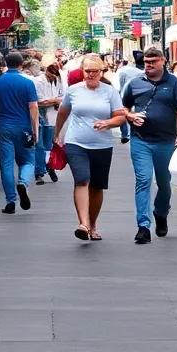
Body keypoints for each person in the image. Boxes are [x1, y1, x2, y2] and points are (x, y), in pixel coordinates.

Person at [54, 54, 125, 240]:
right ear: (82, 72)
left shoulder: (110, 92)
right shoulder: (73, 90)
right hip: (76, 142)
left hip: (102, 145)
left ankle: (93, 224)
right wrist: (56, 134)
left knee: (97, 186)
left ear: (102, 72)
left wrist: (108, 123)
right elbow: (63, 112)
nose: (91, 75)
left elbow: (120, 116)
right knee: (82, 180)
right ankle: (83, 224)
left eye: (95, 71)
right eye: (87, 71)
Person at [123, 46, 177, 244]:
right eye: (146, 62)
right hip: (140, 140)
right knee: (143, 179)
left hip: (166, 142)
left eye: (153, 62)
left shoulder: (173, 83)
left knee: (164, 184)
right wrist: (131, 116)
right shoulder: (135, 83)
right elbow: (124, 108)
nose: (149, 65)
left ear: (163, 61)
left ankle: (161, 213)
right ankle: (143, 226)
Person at [0, 51, 39, 214]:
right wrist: (35, 129)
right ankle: (23, 182)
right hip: (23, 127)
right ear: (21, 64)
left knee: (6, 165)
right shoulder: (27, 83)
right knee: (28, 161)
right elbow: (33, 107)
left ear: (5, 64)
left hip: (4, 126)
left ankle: (10, 201)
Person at [33, 56, 65, 184]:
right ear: (47, 72)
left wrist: (54, 101)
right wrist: (55, 100)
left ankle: (50, 166)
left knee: (50, 145)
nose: (53, 78)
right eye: (52, 75)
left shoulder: (58, 80)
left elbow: (62, 96)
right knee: (39, 145)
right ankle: (39, 172)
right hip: (39, 116)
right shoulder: (37, 81)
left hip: (52, 116)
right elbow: (39, 102)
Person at [114, 50, 144, 144]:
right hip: (141, 100)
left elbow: (116, 86)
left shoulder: (123, 70)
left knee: (124, 114)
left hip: (124, 97)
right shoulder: (149, 71)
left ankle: (125, 134)